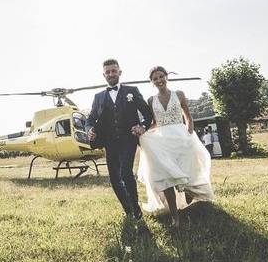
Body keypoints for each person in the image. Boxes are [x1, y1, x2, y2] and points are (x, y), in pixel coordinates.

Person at [137, 66, 215, 227]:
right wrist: (143, 131)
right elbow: (155, 123)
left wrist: (190, 135)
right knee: (166, 178)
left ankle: (188, 197)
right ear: (152, 82)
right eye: (155, 78)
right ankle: (175, 217)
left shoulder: (179, 94)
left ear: (167, 77)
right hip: (162, 141)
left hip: (182, 138)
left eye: (161, 76)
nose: (159, 80)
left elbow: (188, 117)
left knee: (186, 175)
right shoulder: (151, 100)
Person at [86, 59, 154, 219]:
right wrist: (90, 130)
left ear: (119, 72)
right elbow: (90, 119)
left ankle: (136, 209)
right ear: (104, 75)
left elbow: (147, 113)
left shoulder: (132, 91)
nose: (111, 74)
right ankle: (128, 209)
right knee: (114, 178)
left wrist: (142, 126)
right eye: (108, 72)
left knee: (125, 172)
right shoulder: (98, 97)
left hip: (128, 140)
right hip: (109, 142)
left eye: (113, 71)